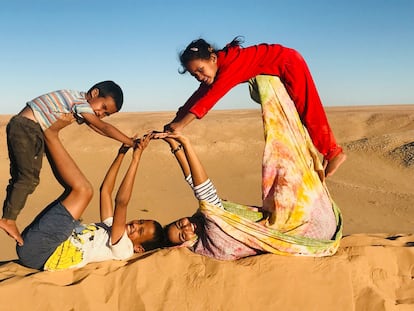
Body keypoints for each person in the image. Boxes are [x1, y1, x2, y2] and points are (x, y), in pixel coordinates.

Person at [162, 76, 342, 260]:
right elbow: (205, 193)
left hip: (314, 228)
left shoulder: (205, 229)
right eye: (183, 235)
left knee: (289, 165)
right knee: (285, 162)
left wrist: (174, 147)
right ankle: (272, 90)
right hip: (309, 231)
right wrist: (186, 143)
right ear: (185, 244)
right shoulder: (212, 237)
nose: (186, 227)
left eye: (179, 223)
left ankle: (274, 91)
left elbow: (193, 183)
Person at [164, 36, 346, 179]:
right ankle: (326, 152)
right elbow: (198, 95)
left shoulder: (230, 65)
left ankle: (333, 152)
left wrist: (181, 125)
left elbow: (209, 98)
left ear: (213, 58)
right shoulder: (218, 66)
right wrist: (174, 122)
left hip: (289, 62)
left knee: (308, 108)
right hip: (283, 63)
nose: (198, 76)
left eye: (200, 70)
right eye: (194, 74)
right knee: (297, 116)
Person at [1, 80, 136, 246]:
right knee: (27, 179)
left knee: (23, 178)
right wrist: (130, 141)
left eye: (106, 114)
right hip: (28, 128)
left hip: (29, 129)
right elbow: (102, 126)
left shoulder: (77, 102)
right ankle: (8, 219)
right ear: (94, 93)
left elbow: (95, 126)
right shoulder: (79, 102)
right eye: (103, 107)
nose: (101, 113)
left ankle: (9, 217)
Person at [16, 119, 164, 271]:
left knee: (81, 191)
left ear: (139, 248)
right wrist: (122, 152)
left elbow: (121, 202)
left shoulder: (124, 249)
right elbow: (105, 191)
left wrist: (136, 159)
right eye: (140, 221)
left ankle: (49, 133)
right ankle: (48, 136)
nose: (135, 225)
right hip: (47, 242)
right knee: (74, 191)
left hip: (44, 252)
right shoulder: (110, 227)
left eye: (140, 231)